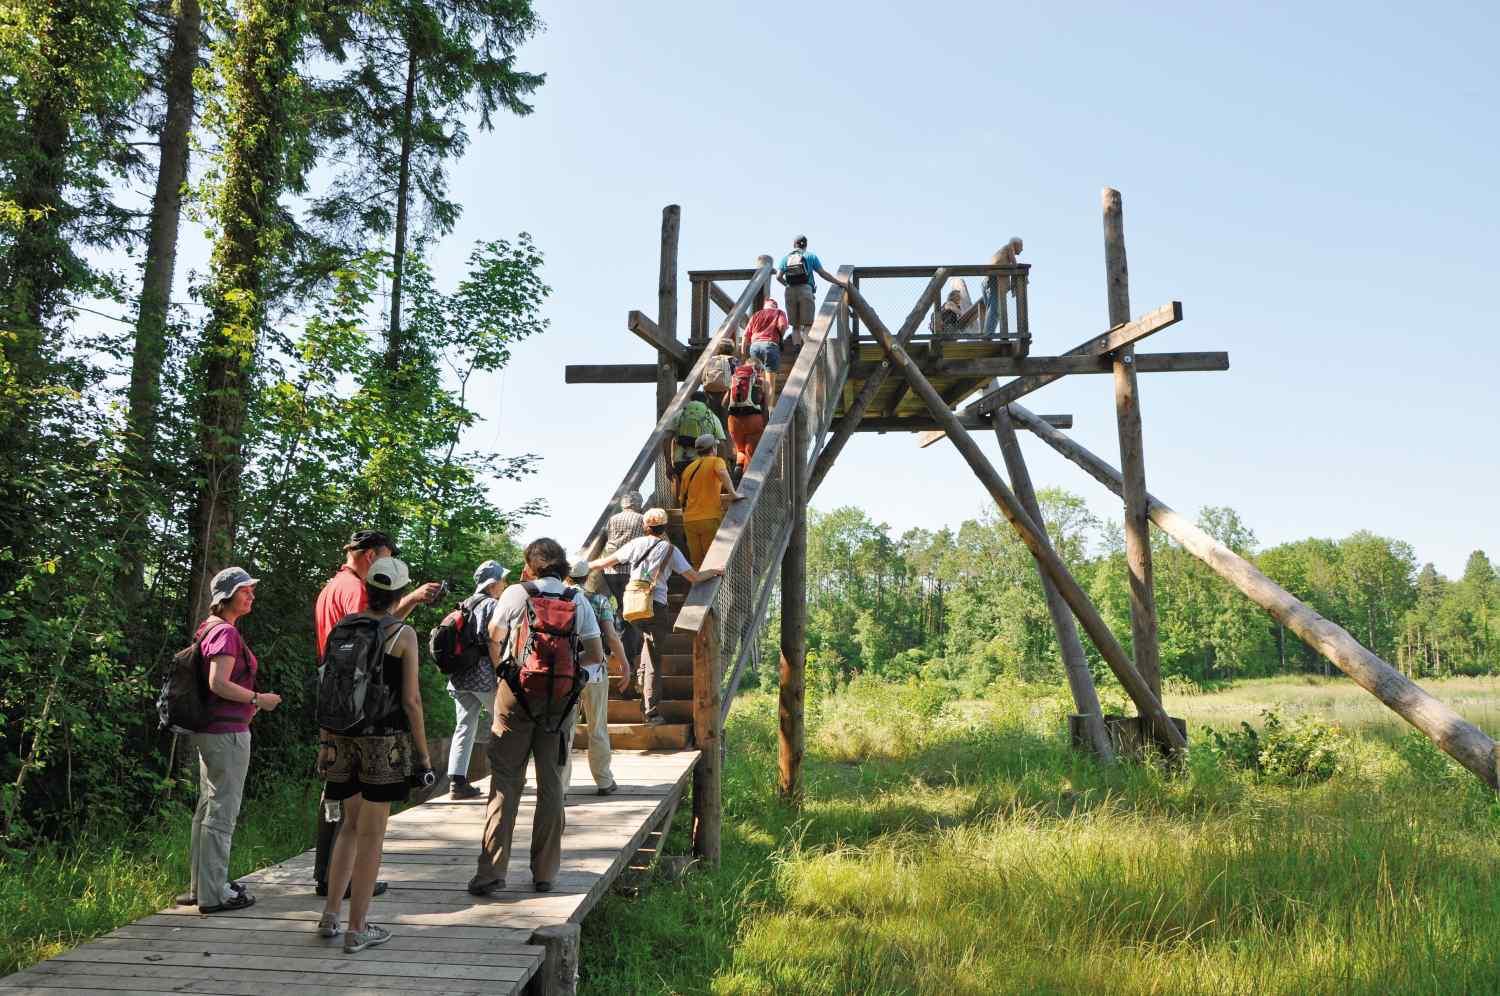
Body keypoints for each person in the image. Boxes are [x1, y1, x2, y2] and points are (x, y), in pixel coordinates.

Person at [469, 538, 605, 897]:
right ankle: (544, 873)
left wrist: (505, 671)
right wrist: (572, 681)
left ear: (529, 566)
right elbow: (594, 655)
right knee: (551, 788)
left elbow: (493, 638)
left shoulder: (516, 593)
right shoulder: (579, 600)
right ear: (561, 566)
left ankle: (491, 873)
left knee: (505, 783)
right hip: (560, 704)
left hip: (515, 698)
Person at [311, 530, 440, 899]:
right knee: (363, 825)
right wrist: (412, 601)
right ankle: (348, 888)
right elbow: (376, 633)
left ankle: (328, 883)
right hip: (368, 710)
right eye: (386, 554)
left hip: (337, 708)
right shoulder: (354, 590)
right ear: (369, 556)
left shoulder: (331, 586)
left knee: (337, 797)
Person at [182, 567, 280, 914]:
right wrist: (258, 699)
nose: (251, 595)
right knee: (222, 811)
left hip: (210, 732)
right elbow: (218, 683)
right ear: (225, 597)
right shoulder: (224, 633)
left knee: (207, 808)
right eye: (244, 590)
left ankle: (201, 887)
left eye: (252, 589)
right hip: (226, 734)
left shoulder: (208, 629)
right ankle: (215, 894)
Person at [589, 510, 722, 726]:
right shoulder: (671, 550)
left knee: (643, 644)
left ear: (644, 526)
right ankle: (651, 712)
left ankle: (638, 677)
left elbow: (605, 562)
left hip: (632, 605)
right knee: (654, 658)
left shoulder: (636, 544)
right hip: (655, 607)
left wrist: (579, 568)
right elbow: (694, 577)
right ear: (665, 527)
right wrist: (714, 571)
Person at [446, 560, 509, 800]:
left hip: (459, 677)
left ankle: (457, 782)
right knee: (504, 724)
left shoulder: (465, 604)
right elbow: (494, 640)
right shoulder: (493, 605)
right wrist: (501, 671)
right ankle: (505, 777)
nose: (504, 583)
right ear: (493, 584)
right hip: (484, 676)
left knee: (463, 727)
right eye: (502, 580)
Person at [565, 559, 627, 796]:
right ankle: (603, 780)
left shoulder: (559, 598)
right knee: (597, 726)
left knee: (565, 729)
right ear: (587, 575)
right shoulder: (598, 600)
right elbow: (611, 636)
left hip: (564, 670)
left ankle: (560, 785)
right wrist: (623, 662)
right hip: (593, 669)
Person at [602, 493, 646, 694]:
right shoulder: (641, 518)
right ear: (638, 505)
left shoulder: (613, 519)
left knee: (621, 607)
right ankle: (629, 653)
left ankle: (617, 648)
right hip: (631, 570)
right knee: (631, 613)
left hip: (611, 571)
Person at [676, 433, 741, 568]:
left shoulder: (689, 468)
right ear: (713, 448)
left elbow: (682, 497)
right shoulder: (716, 461)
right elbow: (722, 473)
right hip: (709, 517)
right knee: (712, 560)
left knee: (698, 563)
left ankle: (698, 587)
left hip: (689, 521)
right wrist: (732, 494)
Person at [776, 235, 847, 348]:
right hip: (806, 290)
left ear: (794, 244)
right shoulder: (811, 256)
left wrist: (788, 284)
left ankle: (796, 347)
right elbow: (822, 273)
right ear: (806, 245)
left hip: (790, 291)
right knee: (807, 324)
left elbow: (778, 276)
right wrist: (839, 283)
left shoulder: (786, 258)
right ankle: (807, 348)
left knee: (795, 325)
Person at [662, 389, 725, 480]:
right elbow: (722, 444)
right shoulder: (711, 416)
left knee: (684, 491)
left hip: (681, 462)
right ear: (706, 402)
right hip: (704, 464)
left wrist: (668, 464)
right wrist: (723, 468)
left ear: (690, 401)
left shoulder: (679, 415)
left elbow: (667, 440)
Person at [726, 356, 770, 484]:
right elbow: (765, 406)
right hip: (753, 420)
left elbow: (725, 401)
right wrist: (765, 424)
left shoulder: (735, 379)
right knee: (750, 452)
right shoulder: (762, 382)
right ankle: (746, 485)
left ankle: (737, 475)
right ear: (759, 369)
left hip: (733, 421)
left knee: (740, 450)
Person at [741, 297, 789, 406]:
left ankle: (754, 405)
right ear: (775, 306)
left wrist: (743, 354)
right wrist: (781, 336)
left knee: (756, 379)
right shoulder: (779, 312)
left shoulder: (756, 315)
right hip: (770, 346)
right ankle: (768, 411)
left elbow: (745, 336)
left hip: (754, 347)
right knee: (769, 383)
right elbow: (782, 326)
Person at [982, 237, 1023, 338]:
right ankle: (988, 335)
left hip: (987, 280)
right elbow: (1014, 264)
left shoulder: (1002, 251)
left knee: (992, 309)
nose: (1022, 250)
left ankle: (987, 334)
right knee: (995, 309)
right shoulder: (1009, 247)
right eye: (1021, 246)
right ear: (1015, 244)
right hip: (994, 278)